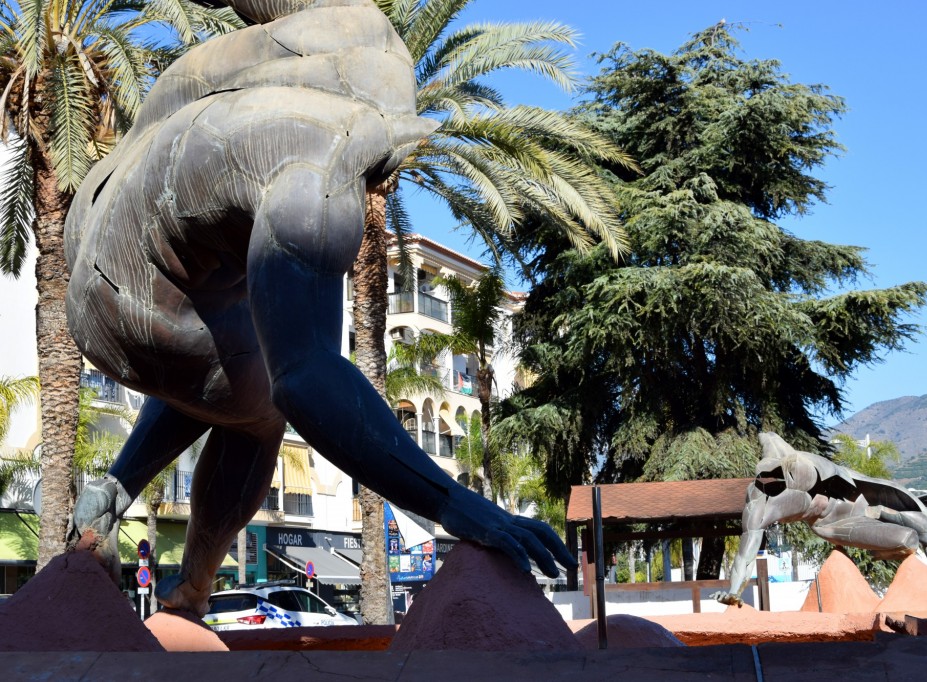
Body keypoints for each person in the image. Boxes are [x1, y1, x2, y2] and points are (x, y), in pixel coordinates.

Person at [64, 0, 574, 617]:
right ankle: (192, 589)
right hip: (142, 309)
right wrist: (453, 503)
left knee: (236, 364)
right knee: (264, 408)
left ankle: (112, 490)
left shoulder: (240, 91)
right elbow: (307, 377)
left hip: (94, 264)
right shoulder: (325, 160)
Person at [714, 432, 927, 606]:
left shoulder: (811, 467)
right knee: (909, 537)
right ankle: (891, 550)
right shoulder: (760, 501)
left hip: (864, 505)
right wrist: (734, 592)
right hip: (833, 524)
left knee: (923, 527)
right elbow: (746, 552)